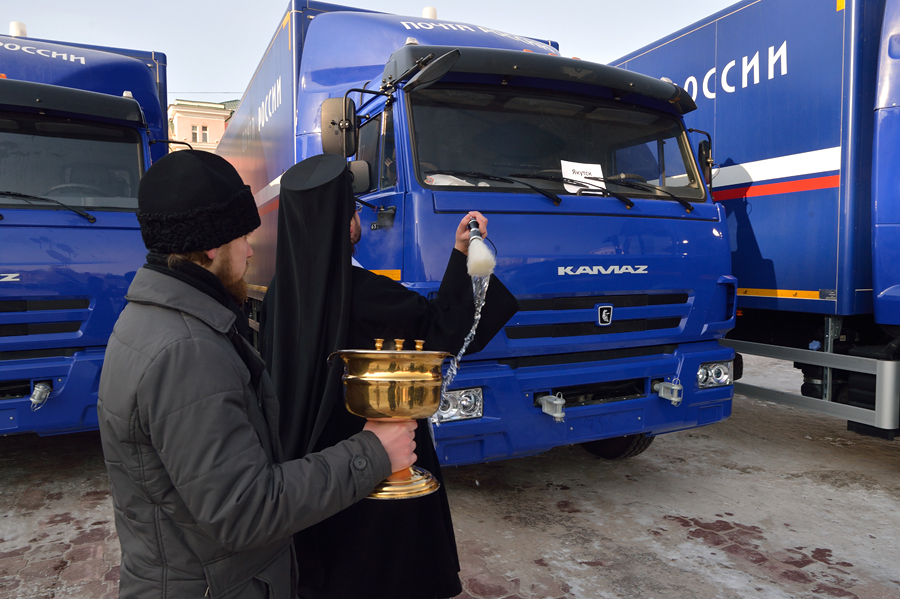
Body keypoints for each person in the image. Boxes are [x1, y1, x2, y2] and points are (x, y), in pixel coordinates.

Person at [96, 150, 418, 599]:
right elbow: (245, 510)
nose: (250, 251)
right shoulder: (187, 351)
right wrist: (372, 452)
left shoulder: (150, 317)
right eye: (243, 238)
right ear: (211, 245)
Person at [259, 153, 520, 599]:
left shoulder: (278, 296)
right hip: (374, 470)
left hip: (305, 480)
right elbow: (445, 331)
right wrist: (463, 253)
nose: (359, 218)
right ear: (346, 225)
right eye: (353, 211)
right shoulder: (369, 295)